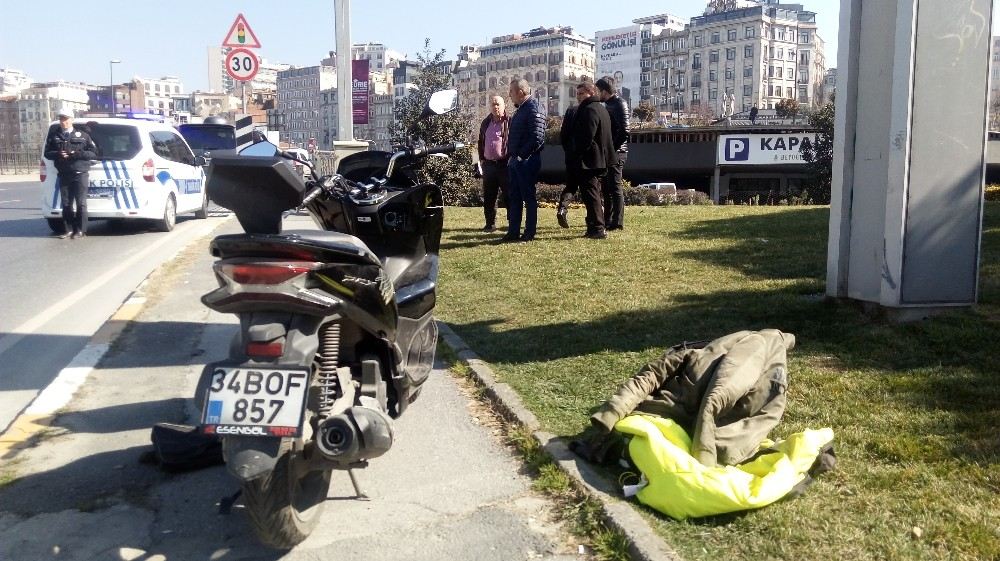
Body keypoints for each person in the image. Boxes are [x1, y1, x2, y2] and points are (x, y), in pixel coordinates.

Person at [569, 81, 615, 240]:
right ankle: (594, 226)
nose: (578, 97)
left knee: (592, 194)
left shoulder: (589, 110)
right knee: (593, 193)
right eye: (577, 93)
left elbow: (587, 137)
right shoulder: (601, 109)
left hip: (590, 160)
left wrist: (577, 153)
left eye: (582, 93)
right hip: (598, 159)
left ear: (591, 93)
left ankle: (597, 227)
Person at [503, 78, 545, 242]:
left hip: (527, 160)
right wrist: (513, 157)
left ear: (520, 92)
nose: (509, 95)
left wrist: (521, 156)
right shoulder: (521, 109)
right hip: (516, 160)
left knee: (528, 197)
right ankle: (513, 232)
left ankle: (529, 232)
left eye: (511, 91)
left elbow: (538, 137)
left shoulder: (533, 107)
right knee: (514, 197)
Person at [44, 109, 97, 239]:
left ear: (72, 120)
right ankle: (68, 230)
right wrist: (58, 153)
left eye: (66, 119)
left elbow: (93, 153)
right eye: (61, 119)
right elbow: (47, 153)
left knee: (81, 203)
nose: (63, 122)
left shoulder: (83, 135)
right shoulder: (55, 136)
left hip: (80, 173)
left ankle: (80, 230)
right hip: (64, 174)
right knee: (66, 204)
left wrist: (76, 154)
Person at [596, 76, 629, 231]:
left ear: (604, 90)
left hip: (617, 152)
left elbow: (624, 131)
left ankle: (617, 221)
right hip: (609, 152)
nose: (597, 93)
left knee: (615, 187)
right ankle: (608, 220)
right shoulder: (608, 104)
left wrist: (612, 149)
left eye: (598, 90)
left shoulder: (619, 104)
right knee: (606, 188)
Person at [477, 95, 509, 233]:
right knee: (489, 196)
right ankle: (490, 224)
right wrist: (479, 161)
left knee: (509, 195)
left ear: (504, 106)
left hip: (504, 165)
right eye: (493, 104)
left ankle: (512, 223)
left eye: (498, 104)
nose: (495, 107)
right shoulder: (485, 123)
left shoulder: (509, 122)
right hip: (488, 165)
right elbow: (479, 143)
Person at [556, 103, 577, 228]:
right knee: (591, 188)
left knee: (571, 186)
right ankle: (595, 218)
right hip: (585, 156)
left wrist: (568, 150)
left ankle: (562, 209)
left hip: (571, 156)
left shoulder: (570, 111)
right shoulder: (590, 110)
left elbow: (563, 134)